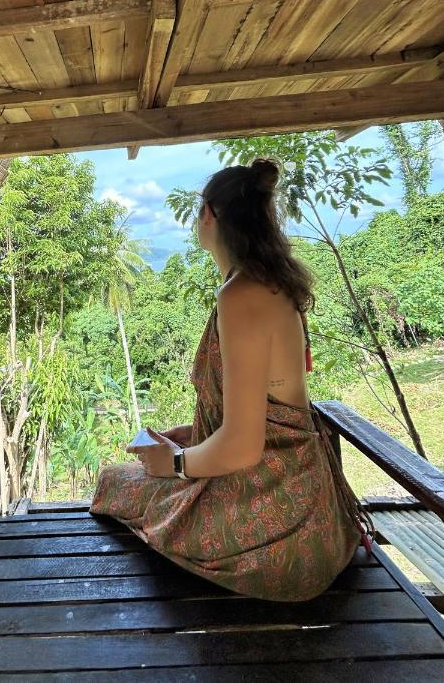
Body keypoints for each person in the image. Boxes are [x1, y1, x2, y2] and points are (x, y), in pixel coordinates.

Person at [89, 157, 374, 602]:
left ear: (208, 214)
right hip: (307, 507)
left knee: (113, 481)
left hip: (278, 525)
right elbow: (266, 415)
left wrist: (177, 463)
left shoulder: (241, 294)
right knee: (136, 474)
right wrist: (186, 440)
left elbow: (243, 445)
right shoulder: (268, 284)